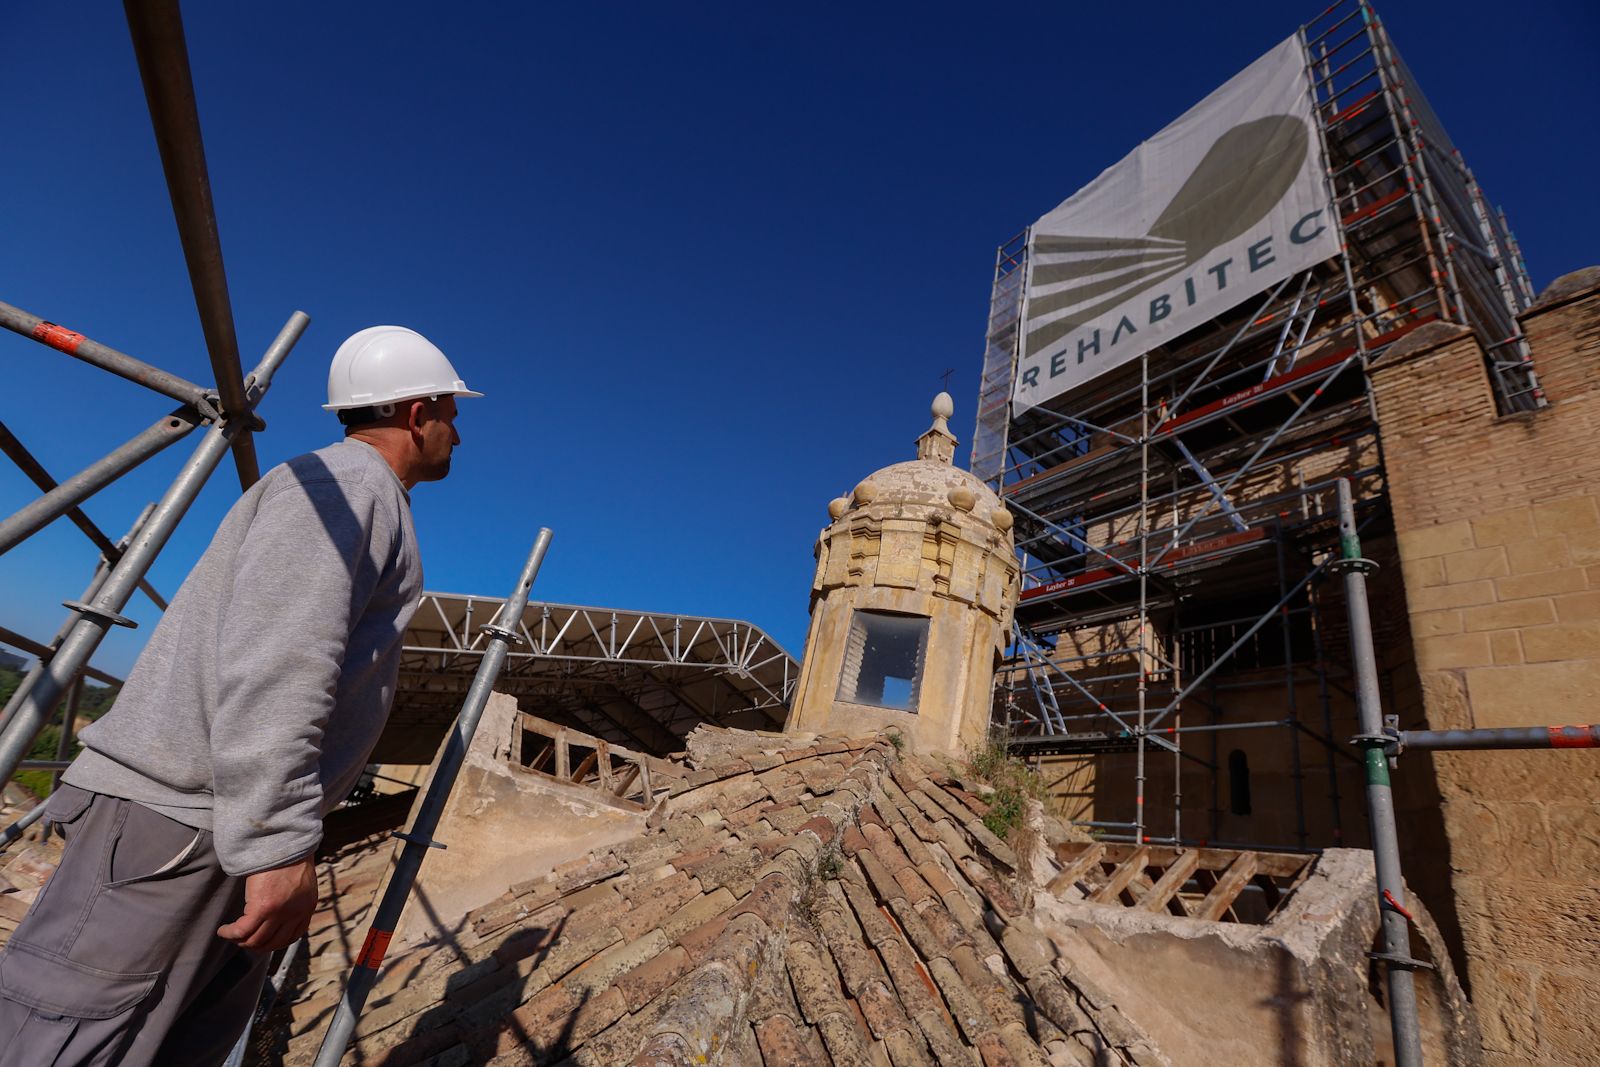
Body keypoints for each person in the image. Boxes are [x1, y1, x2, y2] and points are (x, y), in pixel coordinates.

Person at [0, 326, 481, 1067]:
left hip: (206, 823)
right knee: (68, 1037)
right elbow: (280, 660)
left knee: (161, 1041)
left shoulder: (361, 496)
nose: (459, 431)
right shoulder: (347, 489)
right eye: (453, 412)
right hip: (182, 821)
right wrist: (279, 841)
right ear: (419, 412)